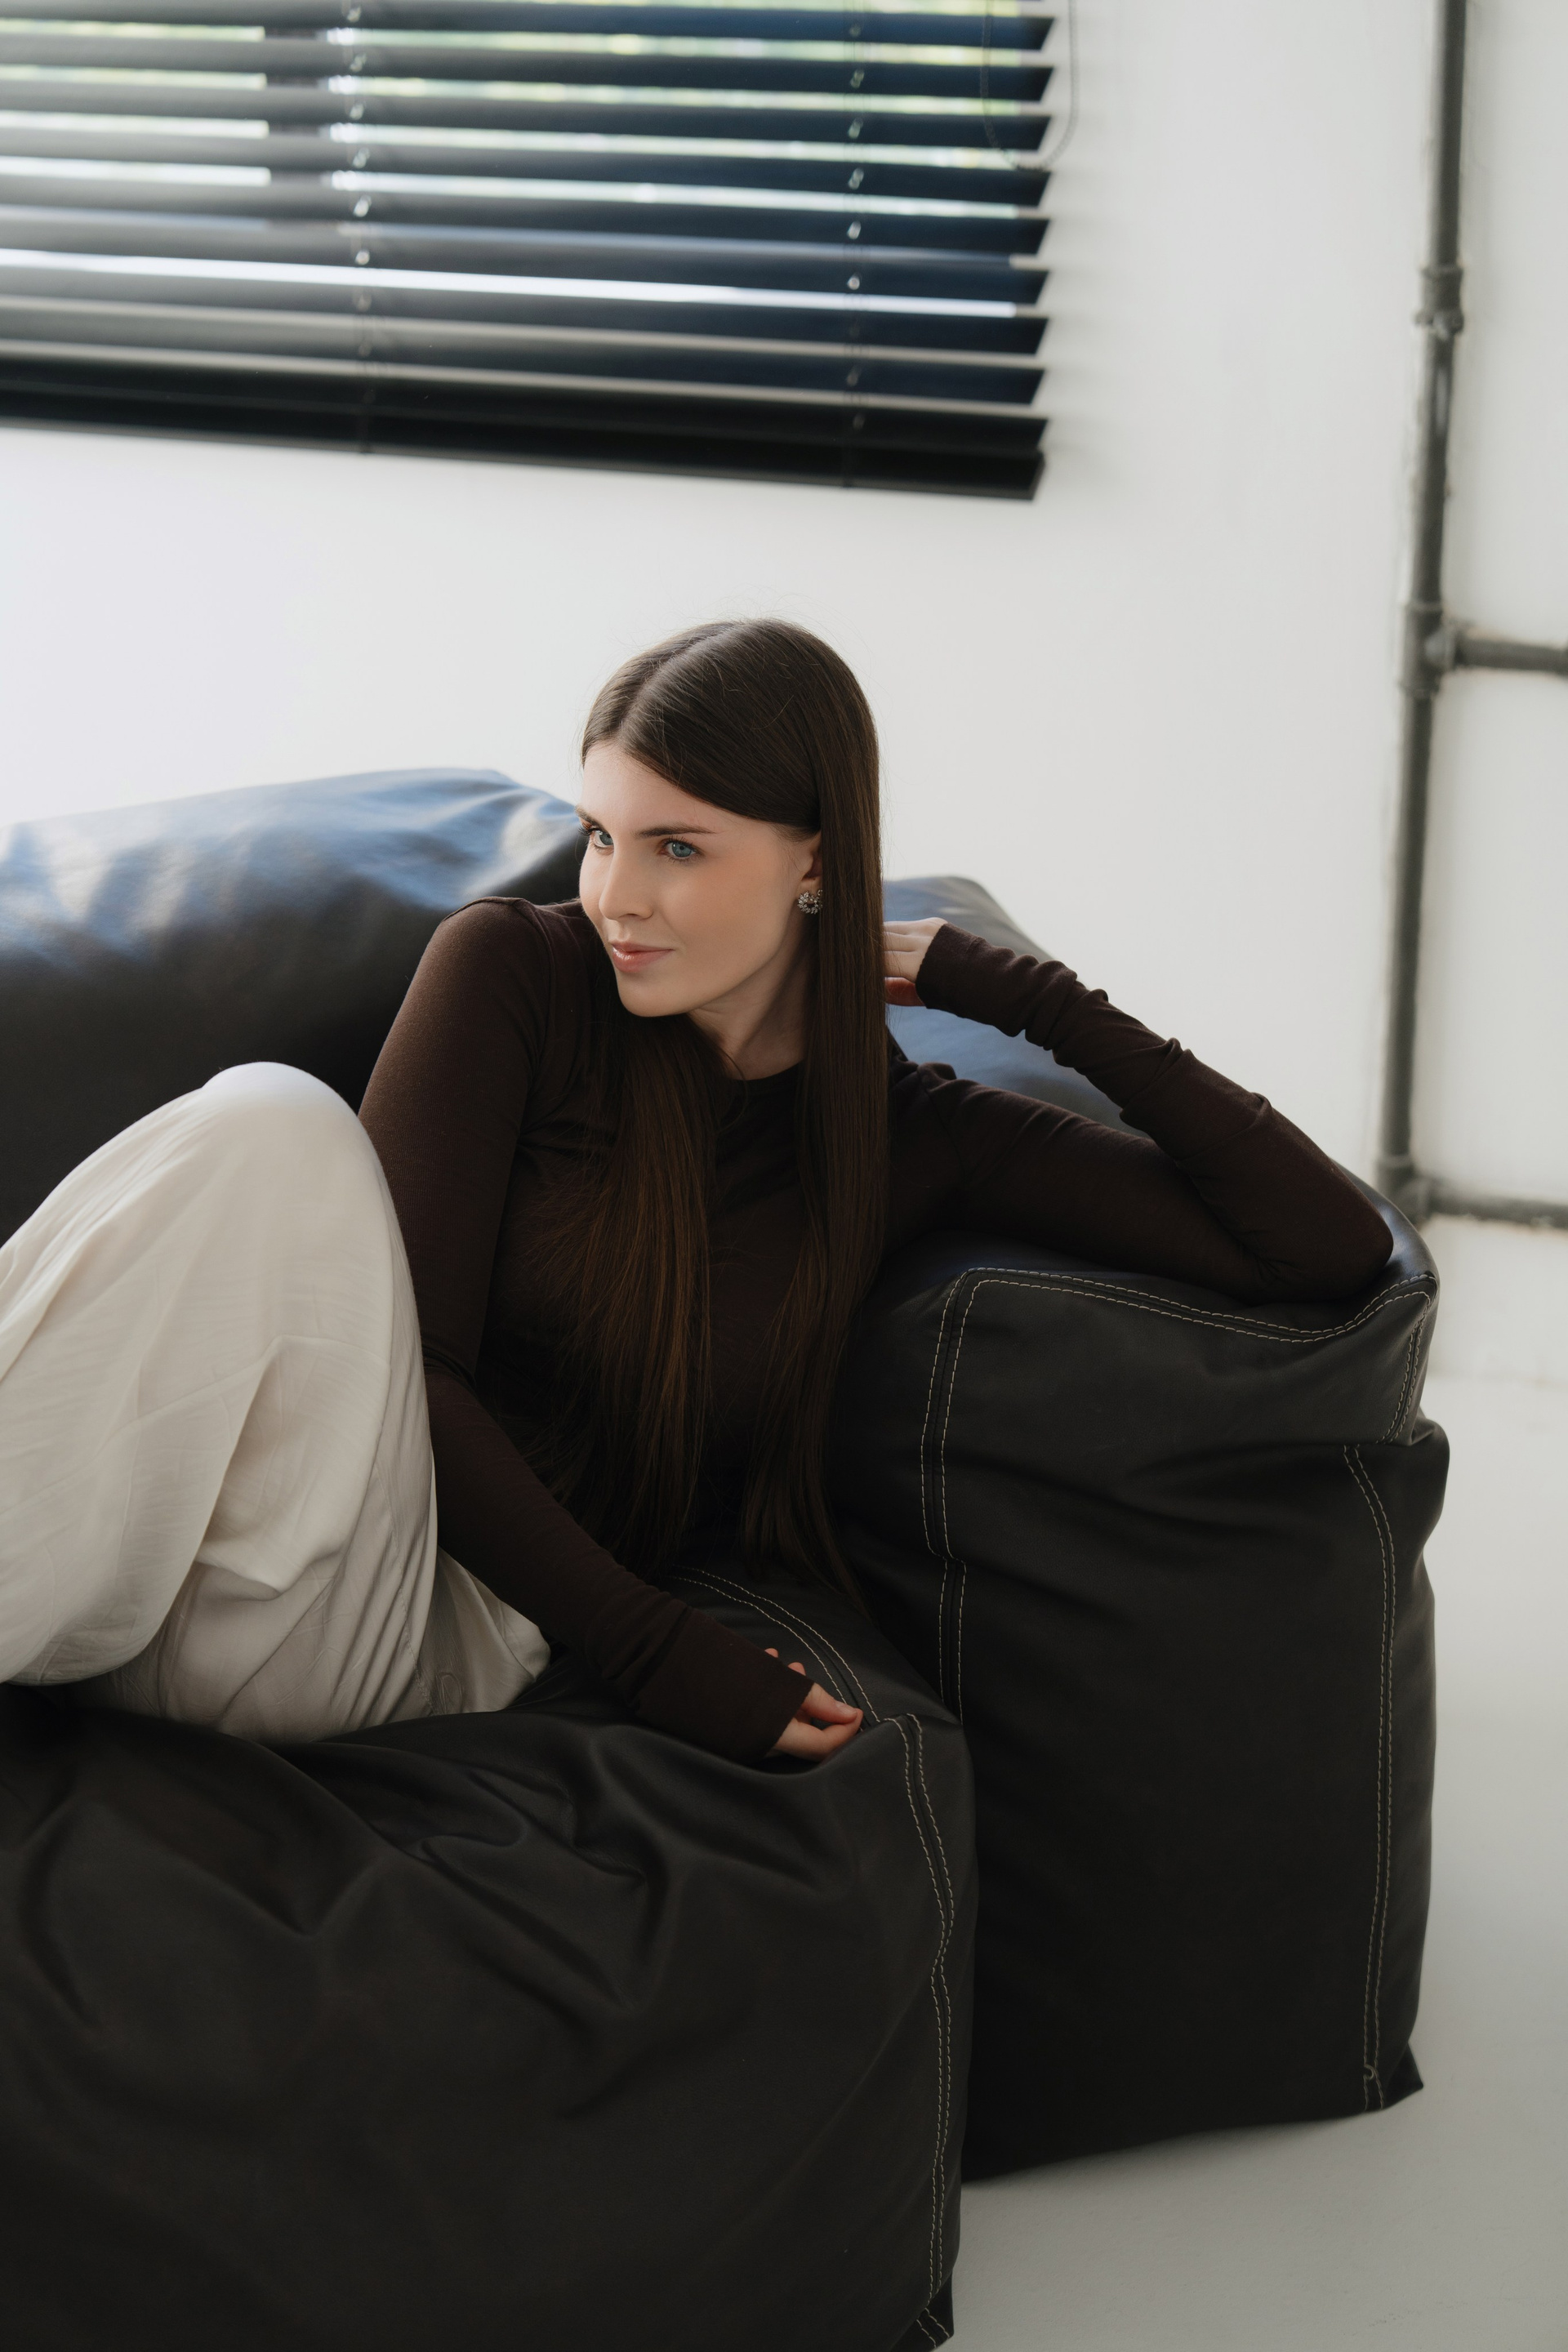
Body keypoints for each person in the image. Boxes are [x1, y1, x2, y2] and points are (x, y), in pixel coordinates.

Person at [0, 620, 1393, 1759]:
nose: (618, 895)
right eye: (601, 836)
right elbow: (410, 1370)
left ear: (815, 862)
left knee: (276, 1125)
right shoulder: (514, 972)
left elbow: (1325, 1244)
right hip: (179, 1571)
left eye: (677, 847)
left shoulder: (911, 1135)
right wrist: (660, 1652)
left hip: (407, 1626)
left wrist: (1029, 995)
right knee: (273, 1131)